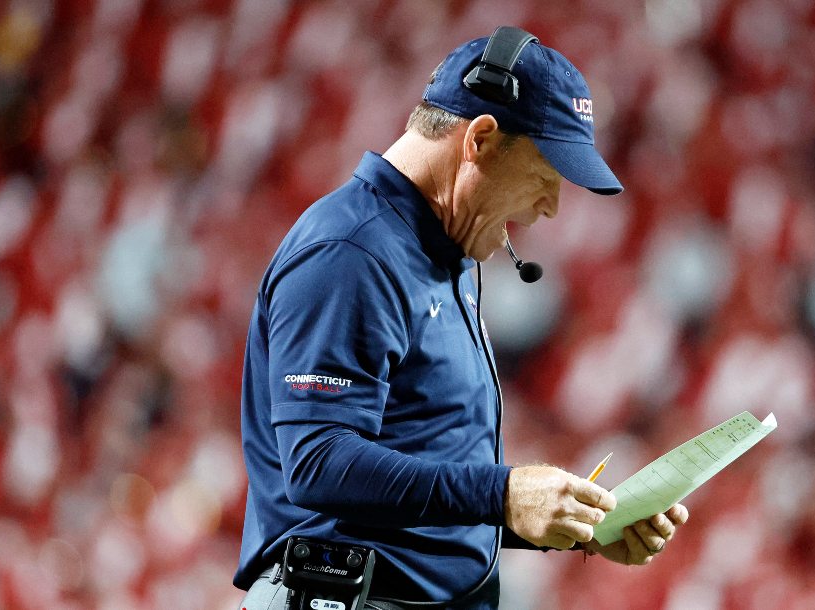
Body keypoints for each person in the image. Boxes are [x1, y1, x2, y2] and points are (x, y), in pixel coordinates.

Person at [235, 27, 689, 610]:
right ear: (480, 139)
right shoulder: (351, 251)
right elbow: (318, 462)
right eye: (546, 177)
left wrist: (569, 521)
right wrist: (503, 495)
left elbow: (421, 482)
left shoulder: (443, 250)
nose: (550, 207)